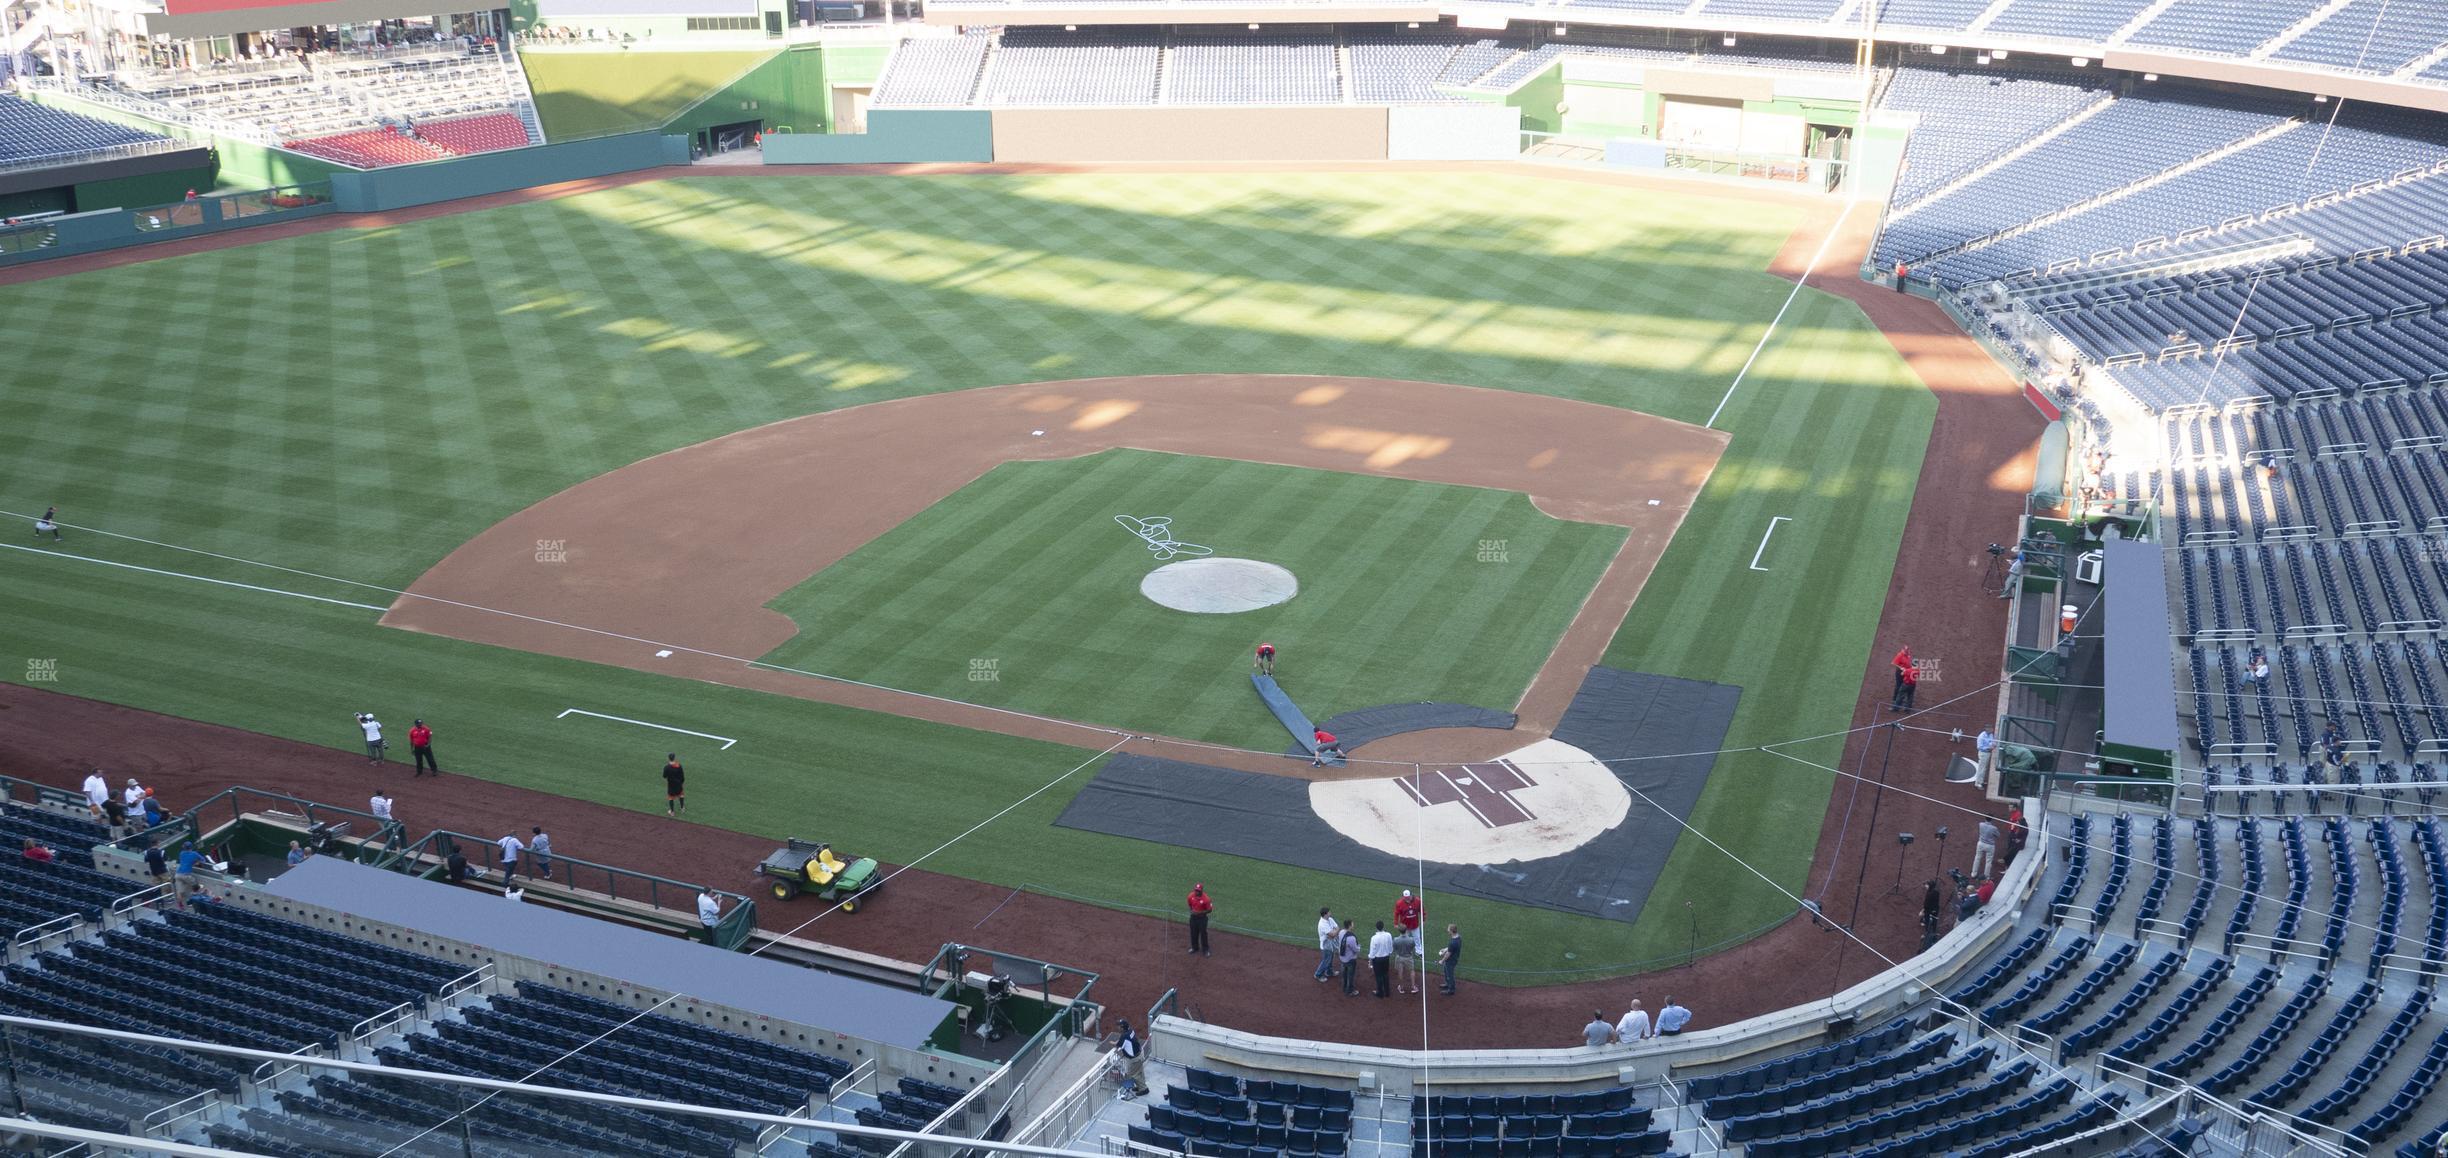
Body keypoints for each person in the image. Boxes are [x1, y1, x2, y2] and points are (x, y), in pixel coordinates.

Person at [1113, 1018, 1146, 1097]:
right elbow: (1123, 1040)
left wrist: (1112, 1043)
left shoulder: (1124, 1036)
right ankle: (1140, 1087)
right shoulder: (1130, 1031)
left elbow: (1118, 1045)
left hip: (1134, 1059)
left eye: (1119, 1026)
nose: (1118, 1027)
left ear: (1122, 1027)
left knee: (1131, 1074)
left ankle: (1144, 1089)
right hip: (1139, 1054)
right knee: (1139, 1072)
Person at [1368, 921, 1394, 998]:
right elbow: (1390, 946)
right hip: (1386, 958)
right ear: (1383, 927)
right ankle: (1387, 992)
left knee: (1378, 976)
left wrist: (1370, 962)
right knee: (1385, 974)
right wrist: (1389, 952)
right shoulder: (1388, 935)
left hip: (1377, 960)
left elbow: (1372, 951)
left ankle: (1380, 992)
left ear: (1376, 928)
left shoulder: (1374, 938)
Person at [1391, 926, 1419, 995]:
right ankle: (1413, 987)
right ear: (1406, 930)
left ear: (1399, 931)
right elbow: (1412, 947)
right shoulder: (1411, 939)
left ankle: (1401, 987)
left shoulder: (1396, 939)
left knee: (1400, 972)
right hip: (1409, 957)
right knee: (1412, 971)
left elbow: (1394, 948)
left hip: (1399, 957)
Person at [1185, 884, 1212, 956]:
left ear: (1201, 891)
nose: (1196, 892)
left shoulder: (1206, 899)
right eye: (1196, 890)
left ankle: (1205, 950)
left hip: (1202, 919)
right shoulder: (1190, 896)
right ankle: (1194, 947)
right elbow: (1190, 905)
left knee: (1203, 934)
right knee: (1193, 933)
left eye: (1198, 891)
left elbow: (1209, 910)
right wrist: (1192, 911)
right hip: (1193, 918)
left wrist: (1199, 913)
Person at [1314, 907, 1339, 983]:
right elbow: (1332, 934)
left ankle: (1329, 972)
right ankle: (1318, 974)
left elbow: (1337, 928)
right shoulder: (1322, 924)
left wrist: (1334, 932)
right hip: (1325, 946)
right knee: (1326, 961)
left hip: (1331, 944)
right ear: (1325, 914)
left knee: (1330, 959)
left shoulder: (1330, 919)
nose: (1330, 913)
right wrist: (1334, 932)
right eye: (1329, 912)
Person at [1891, 648, 1918, 712]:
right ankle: (1897, 700)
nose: (1908, 652)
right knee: (1899, 686)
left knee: (1902, 691)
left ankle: (1897, 707)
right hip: (1910, 682)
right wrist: (1901, 668)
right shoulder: (1917, 670)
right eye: (1907, 651)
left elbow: (1904, 672)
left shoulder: (1908, 657)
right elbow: (1893, 663)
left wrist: (1905, 670)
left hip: (1906, 678)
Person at [1338, 923, 1361, 996]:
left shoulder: (1341, 932)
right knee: (1350, 975)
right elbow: (1355, 950)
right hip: (1350, 959)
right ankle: (1350, 991)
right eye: (1352, 924)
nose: (1353, 925)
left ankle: (1344, 987)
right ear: (1349, 926)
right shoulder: (1351, 937)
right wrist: (1359, 947)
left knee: (1344, 974)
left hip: (1342, 958)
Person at [1439, 924, 1461, 996]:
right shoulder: (1458, 937)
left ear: (1451, 931)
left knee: (1450, 975)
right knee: (1446, 972)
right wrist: (1445, 949)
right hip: (1454, 958)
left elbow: (1448, 954)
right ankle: (1447, 984)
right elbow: (1450, 948)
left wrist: (1442, 961)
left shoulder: (1453, 942)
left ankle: (1451, 990)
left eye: (1448, 929)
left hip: (1451, 961)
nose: (1447, 930)